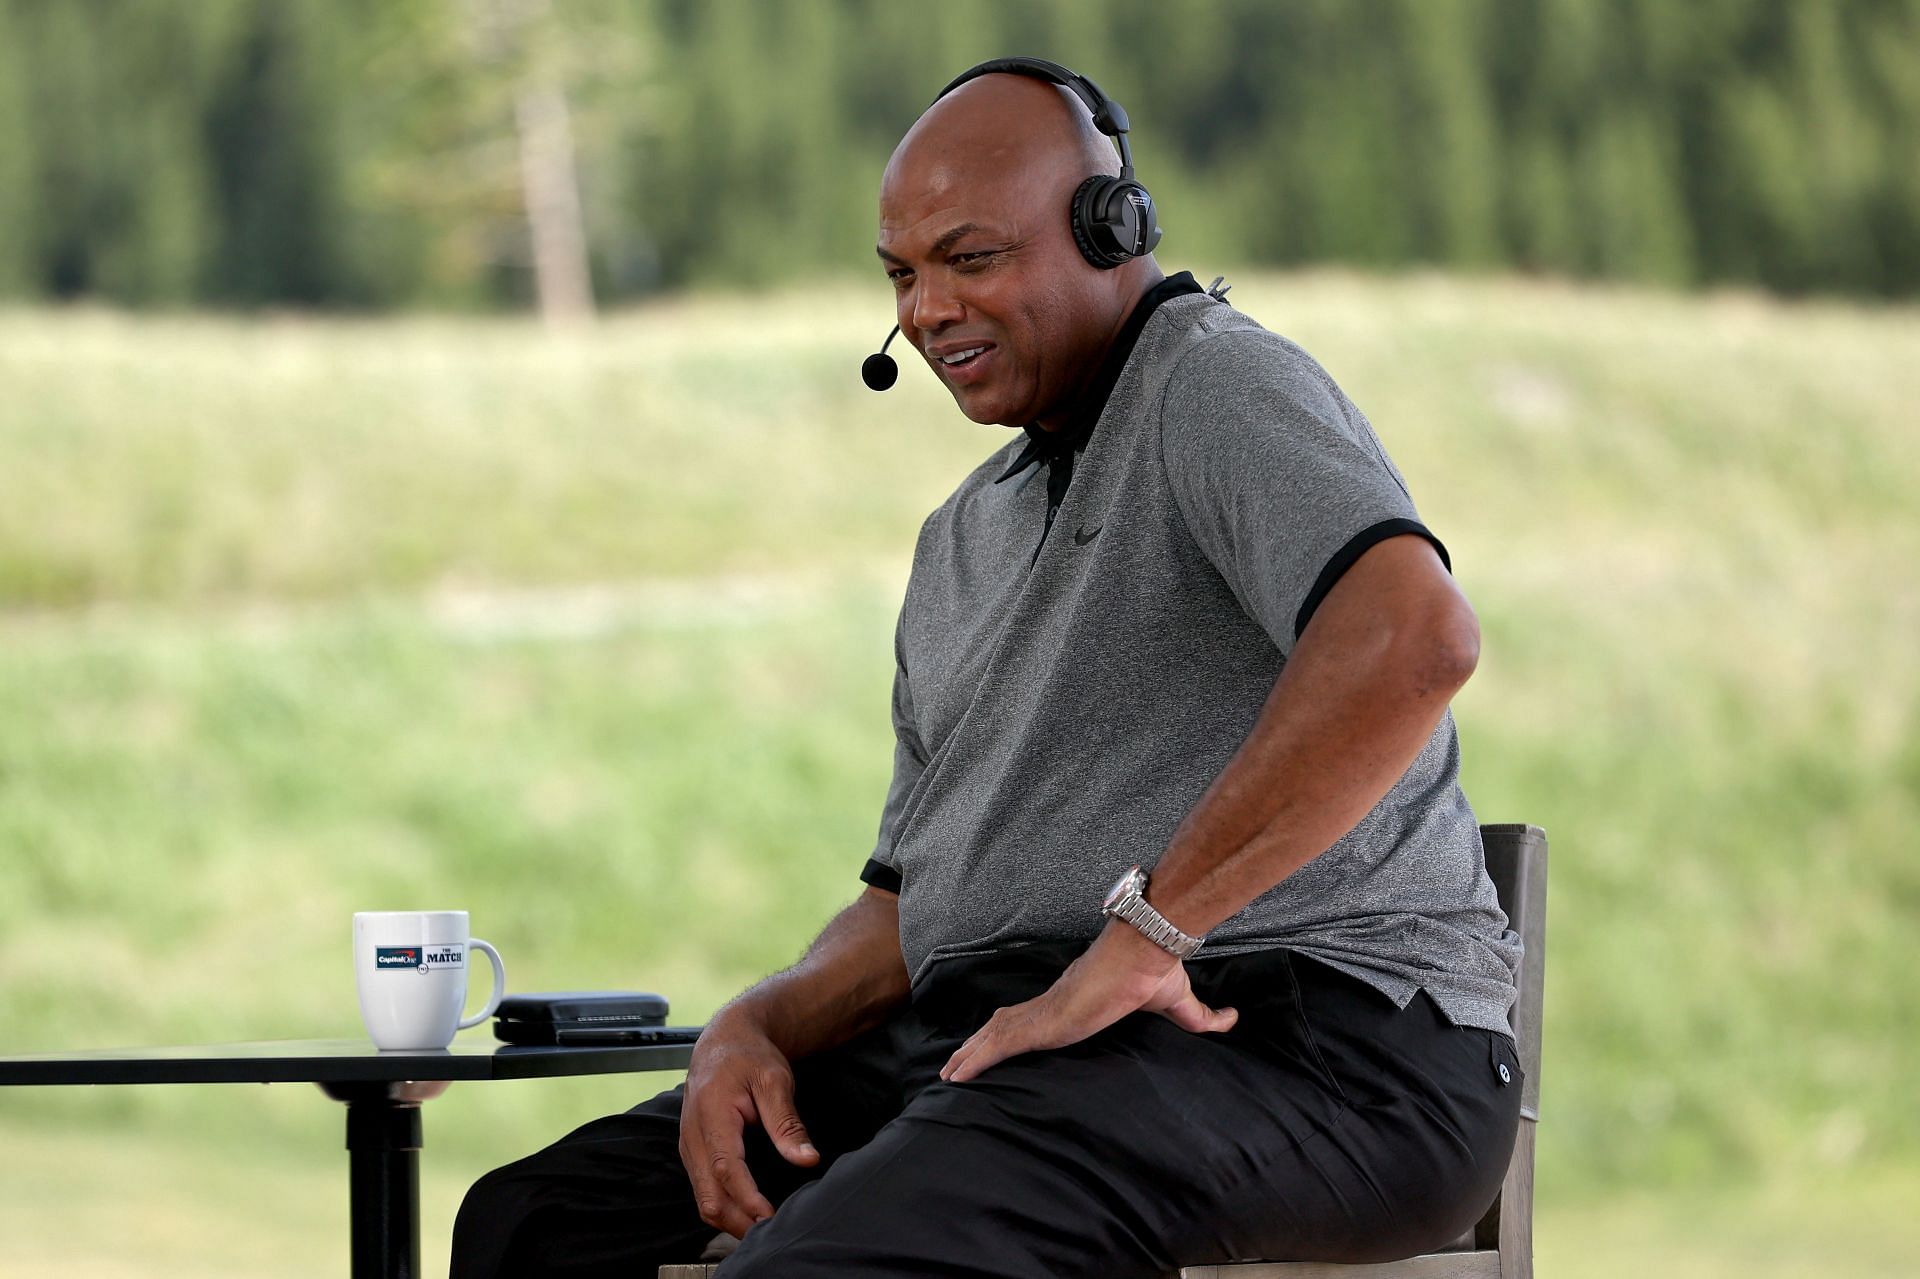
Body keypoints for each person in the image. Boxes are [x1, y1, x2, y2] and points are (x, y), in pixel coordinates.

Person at [451, 58, 1524, 1279]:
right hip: (1023, 1045)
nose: (926, 310)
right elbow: (911, 908)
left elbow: (1412, 636)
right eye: (902, 275)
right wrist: (753, 1025)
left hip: (1316, 1049)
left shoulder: (1214, 384)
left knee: (826, 1262)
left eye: (971, 259)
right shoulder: (961, 537)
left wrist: (1146, 932)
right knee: (532, 1227)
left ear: (1110, 230)